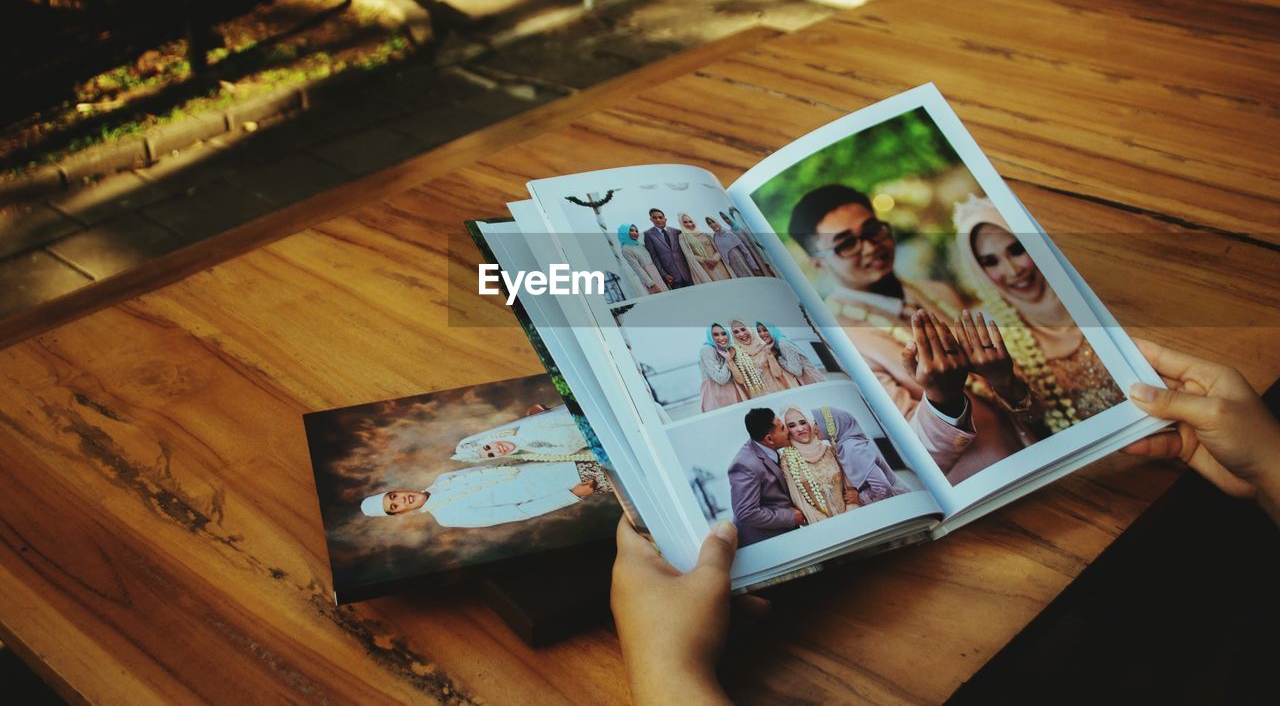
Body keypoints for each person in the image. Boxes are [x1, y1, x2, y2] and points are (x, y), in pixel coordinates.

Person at [611, 340, 1280, 704]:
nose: (794, 423)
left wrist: (665, 667)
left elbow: (880, 464)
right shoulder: (754, 449)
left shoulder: (838, 414)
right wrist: (1269, 467)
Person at [788, 184, 1026, 481]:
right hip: (984, 483)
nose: (871, 247)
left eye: (873, 229)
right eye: (846, 244)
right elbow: (908, 454)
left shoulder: (937, 292)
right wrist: (943, 399)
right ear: (819, 264)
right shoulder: (837, 343)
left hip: (1032, 446)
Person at [952, 195, 1124, 438]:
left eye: (1017, 249)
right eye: (990, 262)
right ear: (978, 272)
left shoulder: (1095, 291)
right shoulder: (1000, 338)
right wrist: (1005, 382)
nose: (1013, 271)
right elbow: (1037, 424)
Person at [360, 461, 601, 528]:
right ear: (400, 513)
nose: (401, 500)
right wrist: (571, 494)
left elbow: (502, 468)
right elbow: (519, 512)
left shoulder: (442, 480)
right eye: (395, 506)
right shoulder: (447, 517)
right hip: (567, 481)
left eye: (393, 496)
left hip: (556, 461)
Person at [727, 407, 806, 546]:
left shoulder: (771, 449)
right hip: (766, 543)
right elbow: (746, 513)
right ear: (769, 439)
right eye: (782, 428)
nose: (788, 430)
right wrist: (789, 518)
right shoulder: (745, 465)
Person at [804, 404, 908, 505]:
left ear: (830, 425)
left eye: (817, 423)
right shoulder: (843, 446)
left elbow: (883, 488)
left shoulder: (853, 448)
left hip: (898, 501)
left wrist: (860, 498)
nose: (813, 427)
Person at [777, 405, 854, 524]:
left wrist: (851, 512)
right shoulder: (787, 461)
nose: (800, 428)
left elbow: (850, 486)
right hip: (821, 525)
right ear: (787, 431)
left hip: (852, 515)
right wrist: (826, 524)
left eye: (803, 422)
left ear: (810, 423)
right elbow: (800, 501)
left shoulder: (830, 449)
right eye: (792, 426)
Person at [451, 405, 595, 463]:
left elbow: (577, 416)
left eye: (488, 447)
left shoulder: (530, 427)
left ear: (490, 439)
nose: (497, 450)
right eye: (491, 455)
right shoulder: (532, 451)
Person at [729, 317, 794, 395]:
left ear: (750, 329)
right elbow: (740, 381)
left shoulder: (765, 346)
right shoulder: (735, 353)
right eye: (736, 332)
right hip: (756, 395)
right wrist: (729, 360)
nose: (741, 334)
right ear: (733, 335)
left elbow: (777, 373)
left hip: (778, 389)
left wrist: (769, 353)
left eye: (743, 329)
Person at [756, 321, 826, 385]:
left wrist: (780, 359)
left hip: (812, 379)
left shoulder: (783, 344)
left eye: (765, 330)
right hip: (807, 380)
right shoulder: (776, 345)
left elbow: (797, 371)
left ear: (772, 330)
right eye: (759, 331)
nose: (762, 334)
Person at [700, 322, 748, 412]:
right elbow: (721, 378)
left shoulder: (728, 349)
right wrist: (728, 359)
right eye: (715, 335)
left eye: (724, 333)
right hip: (718, 399)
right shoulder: (707, 350)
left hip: (733, 395)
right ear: (710, 336)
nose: (721, 338)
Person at [643, 208, 693, 289]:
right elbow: (654, 257)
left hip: (688, 272)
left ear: (665, 219)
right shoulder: (648, 234)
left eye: (660, 217)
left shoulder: (677, 232)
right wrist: (664, 274)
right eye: (654, 218)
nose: (658, 220)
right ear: (651, 219)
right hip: (671, 277)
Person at [678, 213, 732, 284]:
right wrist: (704, 260)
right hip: (705, 268)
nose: (689, 224)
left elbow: (718, 248)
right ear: (681, 223)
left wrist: (715, 259)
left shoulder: (705, 234)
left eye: (690, 221)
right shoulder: (682, 237)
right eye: (685, 222)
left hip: (719, 264)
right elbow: (688, 254)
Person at [617, 222, 668, 296]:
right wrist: (651, 284)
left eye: (636, 231)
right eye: (631, 230)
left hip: (656, 272)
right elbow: (637, 268)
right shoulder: (626, 249)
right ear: (624, 232)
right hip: (649, 276)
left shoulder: (640, 244)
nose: (635, 233)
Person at [721, 209, 776, 278]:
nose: (726, 220)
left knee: (763, 265)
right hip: (747, 252)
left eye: (726, 218)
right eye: (724, 219)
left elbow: (752, 238)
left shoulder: (741, 226)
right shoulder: (731, 231)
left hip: (754, 249)